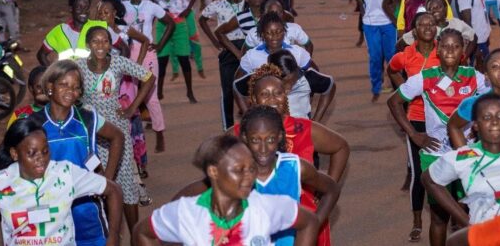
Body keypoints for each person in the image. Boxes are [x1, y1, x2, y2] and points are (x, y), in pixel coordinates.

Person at [171, 106, 341, 246]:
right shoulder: (232, 173)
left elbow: (331, 189)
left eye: (270, 139)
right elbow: (184, 198)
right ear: (244, 138)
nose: (263, 148)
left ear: (280, 137)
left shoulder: (295, 167)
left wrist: (314, 226)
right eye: (255, 140)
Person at [388, 29, 489, 246]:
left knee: (465, 213)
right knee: (438, 217)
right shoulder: (424, 78)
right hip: (435, 155)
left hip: (467, 154)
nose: (450, 50)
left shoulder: (475, 77)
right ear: (438, 49)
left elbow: (493, 102)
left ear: (463, 51)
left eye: (456, 46)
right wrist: (414, 134)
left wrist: (479, 126)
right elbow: (394, 102)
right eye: (445, 46)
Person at [0, 119, 123, 246]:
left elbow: (113, 190)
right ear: (15, 153)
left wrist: (113, 235)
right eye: (32, 153)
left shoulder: (64, 174)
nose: (41, 159)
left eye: (45, 151)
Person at [132, 134, 319, 246]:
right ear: (213, 171)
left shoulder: (267, 207)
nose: (249, 176)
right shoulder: (186, 213)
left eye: (252, 168)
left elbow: (309, 221)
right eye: (239, 170)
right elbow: (141, 232)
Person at [234, 65, 349, 246]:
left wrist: (323, 189)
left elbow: (341, 147)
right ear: (254, 99)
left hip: (307, 214)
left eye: (278, 93)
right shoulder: (238, 133)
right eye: (265, 94)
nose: (273, 99)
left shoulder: (303, 128)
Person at [30, 60, 125, 246]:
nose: (70, 91)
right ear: (50, 86)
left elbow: (117, 137)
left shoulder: (87, 119)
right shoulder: (33, 123)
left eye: (75, 87)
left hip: (86, 208)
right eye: (63, 84)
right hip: (49, 209)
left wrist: (107, 180)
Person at [422, 93, 500, 227]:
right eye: (486, 117)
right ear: (476, 125)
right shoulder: (464, 157)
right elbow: (430, 180)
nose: (495, 122)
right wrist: (466, 222)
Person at [78, 26, 154, 232]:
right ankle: (111, 233)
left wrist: (132, 108)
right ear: (87, 44)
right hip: (91, 130)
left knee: (126, 184)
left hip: (117, 129)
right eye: (95, 41)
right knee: (98, 181)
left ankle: (135, 233)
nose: (100, 46)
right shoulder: (78, 66)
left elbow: (148, 77)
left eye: (104, 41)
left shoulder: (118, 62)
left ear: (110, 44)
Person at [387, 12, 441, 242]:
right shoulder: (406, 55)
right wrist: (405, 90)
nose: (427, 27)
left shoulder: (446, 51)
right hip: (417, 119)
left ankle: (446, 215)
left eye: (431, 23)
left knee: (446, 168)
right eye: (422, 24)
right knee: (420, 173)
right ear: (414, 31)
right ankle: (417, 220)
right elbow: (391, 69)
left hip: (442, 119)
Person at [122, 0, 175, 148]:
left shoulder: (151, 6)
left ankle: (160, 133)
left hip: (148, 54)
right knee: (130, 94)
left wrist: (160, 44)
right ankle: (132, 135)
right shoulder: (122, 7)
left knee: (151, 96)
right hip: (128, 54)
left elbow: (170, 23)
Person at [347, 0, 399, 101]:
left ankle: (397, 86)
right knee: (375, 57)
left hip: (388, 22)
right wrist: (359, 2)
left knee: (392, 56)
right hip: (370, 23)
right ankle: (376, 87)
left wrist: (395, 3)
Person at [146, 0, 199, 102]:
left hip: (179, 24)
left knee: (184, 59)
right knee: (162, 60)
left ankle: (190, 92)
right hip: (163, 24)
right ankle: (159, 92)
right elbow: (149, 0)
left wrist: (188, 9)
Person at [199, 0, 246, 129]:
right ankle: (229, 127)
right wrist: (214, 41)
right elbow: (202, 19)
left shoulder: (246, 4)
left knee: (249, 87)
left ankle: (250, 122)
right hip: (227, 49)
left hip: (247, 48)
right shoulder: (217, 5)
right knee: (227, 89)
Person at [37, 0, 121, 65]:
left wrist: (115, 71)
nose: (83, 11)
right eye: (78, 7)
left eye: (86, 7)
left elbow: (124, 49)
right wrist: (54, 75)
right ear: (71, 9)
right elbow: (41, 55)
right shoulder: (59, 31)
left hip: (95, 81)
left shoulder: (100, 27)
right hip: (70, 81)